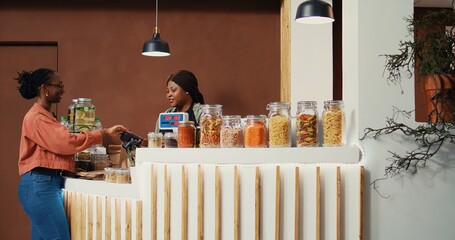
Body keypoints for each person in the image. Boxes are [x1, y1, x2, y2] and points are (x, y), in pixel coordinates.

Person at [14, 68, 129, 240]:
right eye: (58, 85)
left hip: (42, 184)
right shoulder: (37, 118)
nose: (63, 90)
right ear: (45, 88)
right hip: (41, 185)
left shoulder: (44, 116)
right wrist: (102, 133)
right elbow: (65, 143)